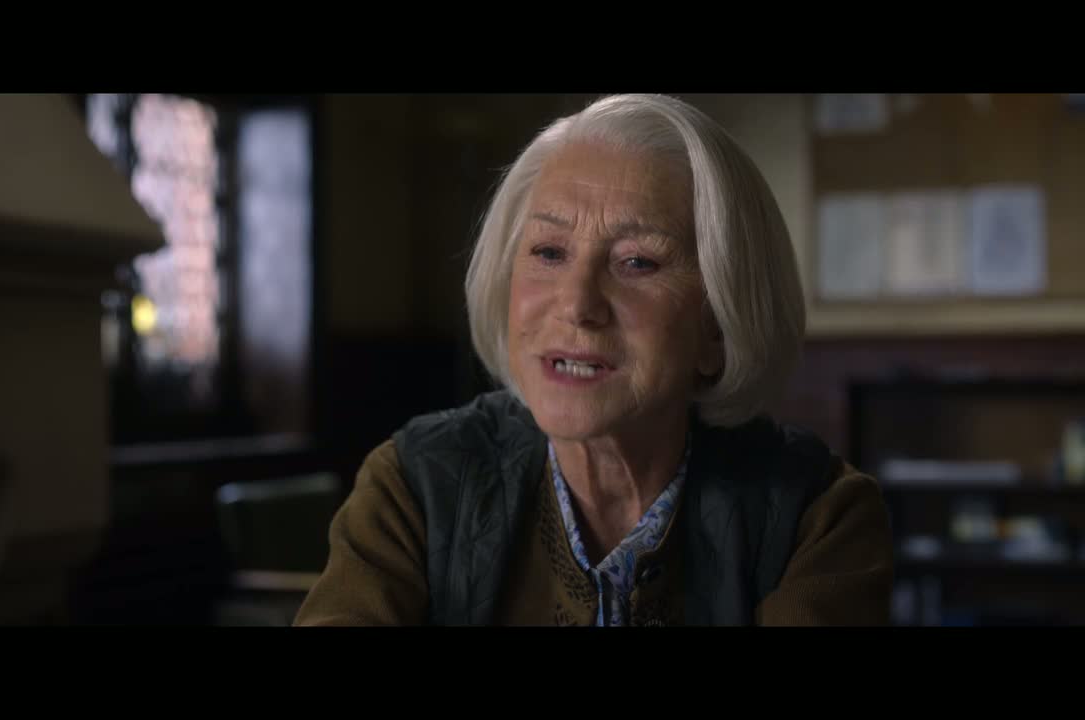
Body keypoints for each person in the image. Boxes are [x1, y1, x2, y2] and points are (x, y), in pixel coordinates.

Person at [295, 93, 893, 626]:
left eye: (637, 262)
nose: (577, 305)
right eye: (549, 252)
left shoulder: (815, 516)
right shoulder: (416, 485)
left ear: (718, 324)